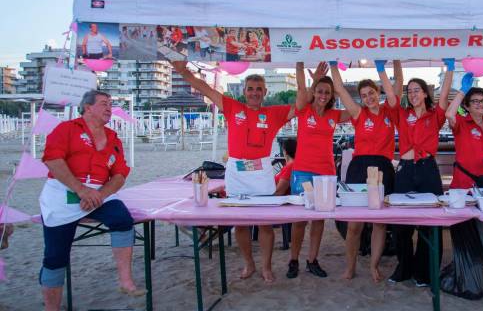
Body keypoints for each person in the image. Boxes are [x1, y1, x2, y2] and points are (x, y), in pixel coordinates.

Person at [172, 61, 294, 283]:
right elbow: (203, 88)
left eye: (259, 89)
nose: (255, 93)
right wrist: (182, 71)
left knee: (266, 223)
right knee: (240, 222)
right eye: (250, 89)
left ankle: (266, 267)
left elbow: (302, 105)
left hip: (262, 172)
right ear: (244, 91)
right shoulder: (232, 107)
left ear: (265, 92)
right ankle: (249, 264)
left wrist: (308, 78)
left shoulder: (274, 113)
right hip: (237, 173)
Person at [39, 90, 142, 311]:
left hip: (98, 193)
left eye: (111, 104)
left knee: (122, 219)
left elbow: (120, 173)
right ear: (88, 107)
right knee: (55, 257)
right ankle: (51, 308)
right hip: (63, 194)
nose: (109, 108)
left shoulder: (113, 137)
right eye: (104, 103)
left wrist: (98, 195)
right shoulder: (66, 129)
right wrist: (81, 190)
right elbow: (52, 159)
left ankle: (125, 280)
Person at [329, 59, 402, 282]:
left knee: (379, 222)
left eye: (371, 93)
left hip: (383, 167)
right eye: (364, 95)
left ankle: (374, 266)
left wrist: (397, 57)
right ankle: (350, 267)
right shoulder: (359, 113)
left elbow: (398, 81)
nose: (369, 98)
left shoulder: (391, 110)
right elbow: (339, 89)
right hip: (359, 167)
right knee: (354, 223)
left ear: (378, 91)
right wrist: (333, 62)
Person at [388, 58, 454, 286]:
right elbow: (390, 95)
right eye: (410, 90)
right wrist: (381, 70)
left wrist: (450, 68)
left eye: (417, 90)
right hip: (405, 171)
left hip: (427, 170)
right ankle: (404, 268)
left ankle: (424, 272)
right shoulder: (401, 114)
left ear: (426, 94)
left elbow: (445, 96)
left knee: (429, 221)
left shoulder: (435, 116)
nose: (413, 94)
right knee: (401, 224)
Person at [288, 62, 352, 279]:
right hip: (303, 171)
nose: (323, 95)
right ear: (314, 92)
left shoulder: (335, 115)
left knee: (318, 220)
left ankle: (312, 260)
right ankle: (293, 260)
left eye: (327, 92)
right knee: (299, 218)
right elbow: (299, 87)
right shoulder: (303, 110)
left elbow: (355, 111)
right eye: (320, 91)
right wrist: (312, 76)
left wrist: (341, 89)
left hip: (326, 173)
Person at [445, 72, 483, 189]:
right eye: (475, 101)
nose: (481, 104)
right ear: (467, 106)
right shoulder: (461, 123)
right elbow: (449, 114)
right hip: (464, 185)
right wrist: (462, 91)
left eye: (482, 101)